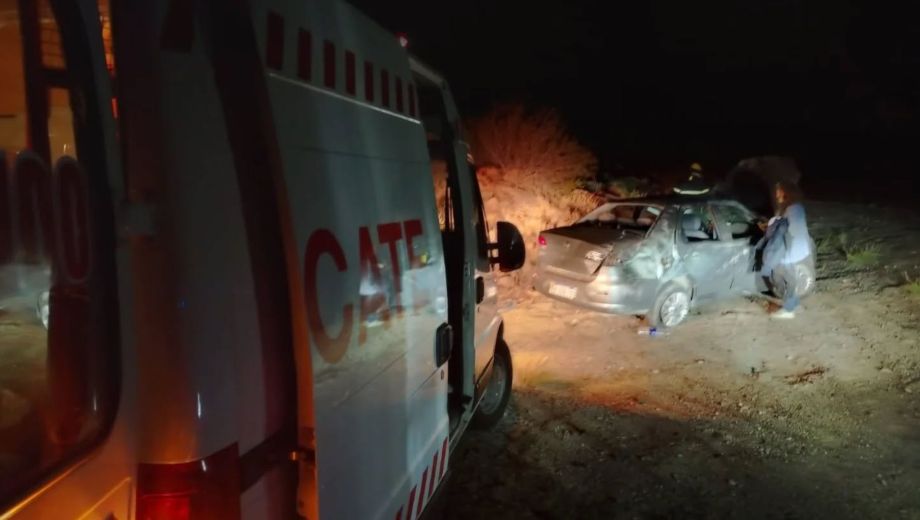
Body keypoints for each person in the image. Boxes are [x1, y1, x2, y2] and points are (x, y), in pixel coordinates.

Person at [758, 180, 811, 319]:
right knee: (788, 277)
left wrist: (773, 227)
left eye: (779, 191)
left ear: (787, 192)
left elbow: (790, 229)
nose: (776, 194)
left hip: (791, 248)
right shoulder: (794, 207)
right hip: (794, 247)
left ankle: (789, 309)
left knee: (780, 276)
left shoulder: (793, 209)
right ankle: (792, 304)